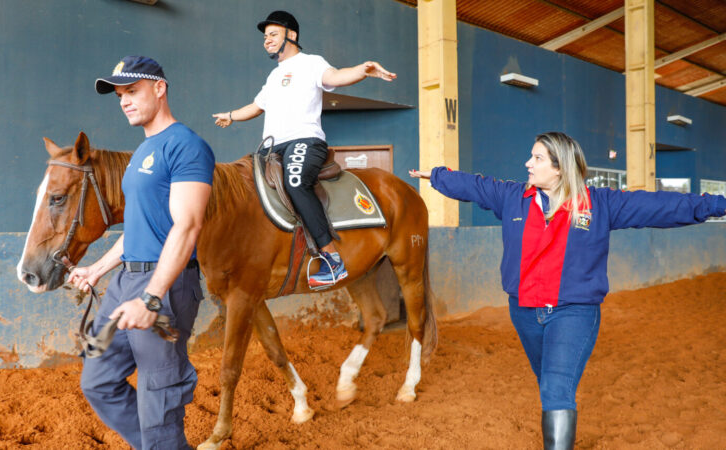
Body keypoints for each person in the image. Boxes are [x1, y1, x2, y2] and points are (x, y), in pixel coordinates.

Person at [410, 132, 726, 450]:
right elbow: (474, 186)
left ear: (560, 168)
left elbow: (661, 206)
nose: (527, 164)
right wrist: (437, 176)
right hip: (524, 312)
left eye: (537, 158)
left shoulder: (600, 204)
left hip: (574, 311)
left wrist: (718, 205)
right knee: (548, 383)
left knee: (556, 388)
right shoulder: (511, 198)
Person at [68, 55, 215, 449]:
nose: (124, 101)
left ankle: (161, 441)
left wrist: (151, 298)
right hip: (123, 282)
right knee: (96, 378)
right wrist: (97, 269)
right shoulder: (141, 156)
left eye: (132, 91)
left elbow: (188, 226)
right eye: (120, 95)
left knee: (159, 395)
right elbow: (137, 229)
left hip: (164, 286)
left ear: (159, 88)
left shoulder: (187, 146)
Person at [212, 10, 396, 288]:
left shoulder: (310, 63)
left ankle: (332, 259)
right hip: (270, 150)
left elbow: (336, 75)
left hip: (304, 142)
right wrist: (231, 114)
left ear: (292, 35)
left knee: (295, 182)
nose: (267, 41)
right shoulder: (273, 77)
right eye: (265, 37)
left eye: (273, 34)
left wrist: (362, 70)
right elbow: (256, 106)